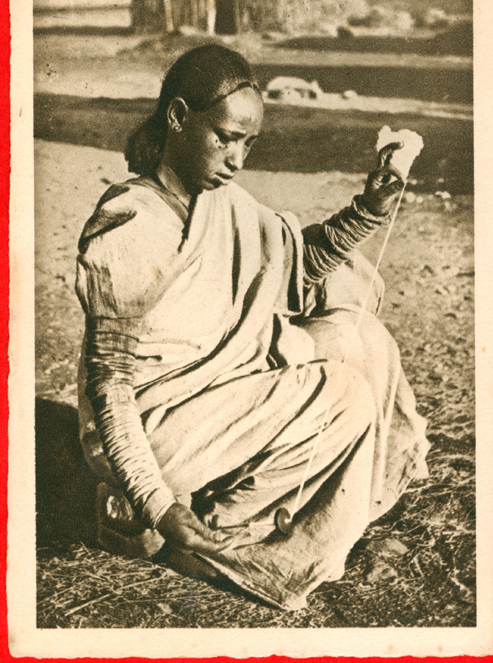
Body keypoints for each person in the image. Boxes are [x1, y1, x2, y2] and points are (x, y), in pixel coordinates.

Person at [76, 44, 429, 611]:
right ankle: (193, 531)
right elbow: (111, 388)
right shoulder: (130, 223)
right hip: (151, 430)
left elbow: (297, 264)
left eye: (249, 142)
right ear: (177, 117)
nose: (237, 157)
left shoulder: (228, 205)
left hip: (215, 400)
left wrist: (371, 205)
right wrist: (157, 501)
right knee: (342, 394)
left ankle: (293, 509)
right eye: (225, 136)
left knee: (359, 337)